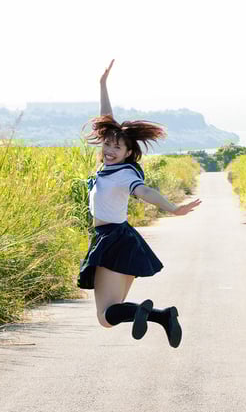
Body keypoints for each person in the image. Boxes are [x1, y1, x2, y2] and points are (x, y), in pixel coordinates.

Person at [77, 59, 201, 348]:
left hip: (113, 239)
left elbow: (144, 192)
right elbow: (107, 120)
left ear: (129, 152)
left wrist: (173, 208)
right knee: (112, 312)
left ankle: (156, 315)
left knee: (106, 317)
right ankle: (163, 317)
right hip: (119, 239)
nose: (108, 149)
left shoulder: (125, 174)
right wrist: (102, 85)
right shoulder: (110, 166)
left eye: (116, 147)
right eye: (107, 144)